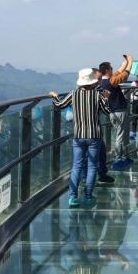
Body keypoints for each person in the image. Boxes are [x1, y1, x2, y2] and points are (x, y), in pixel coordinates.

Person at [49, 68, 110, 207]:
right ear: (92, 82)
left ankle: (73, 197)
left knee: (76, 166)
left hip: (78, 135)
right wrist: (106, 98)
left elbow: (59, 105)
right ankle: (88, 196)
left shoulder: (74, 94)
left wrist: (55, 96)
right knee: (92, 166)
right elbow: (107, 111)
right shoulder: (97, 95)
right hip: (94, 135)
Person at [99, 54, 133, 170]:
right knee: (120, 136)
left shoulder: (103, 82)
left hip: (112, 112)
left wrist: (125, 63)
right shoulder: (111, 81)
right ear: (107, 70)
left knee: (121, 134)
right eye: (111, 68)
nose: (113, 70)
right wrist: (130, 62)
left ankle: (123, 157)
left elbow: (118, 73)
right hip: (119, 111)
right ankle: (118, 159)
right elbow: (124, 75)